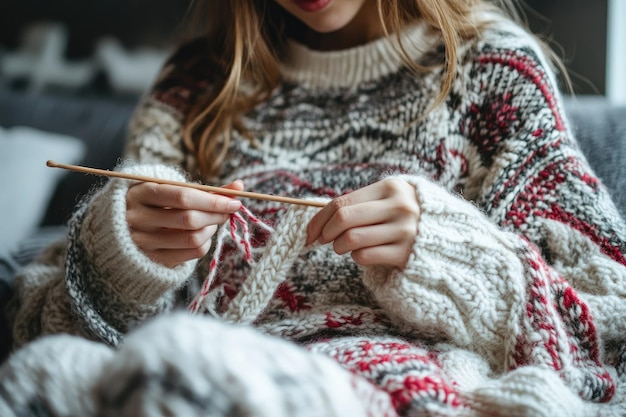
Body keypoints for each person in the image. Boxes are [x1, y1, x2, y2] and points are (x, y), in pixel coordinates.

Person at [2, 0, 626, 415]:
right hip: (186, 357)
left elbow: (607, 324)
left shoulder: (491, 73)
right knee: (47, 370)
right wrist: (123, 259)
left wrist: (453, 253)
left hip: (389, 382)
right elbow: (60, 319)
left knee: (176, 368)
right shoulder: (199, 84)